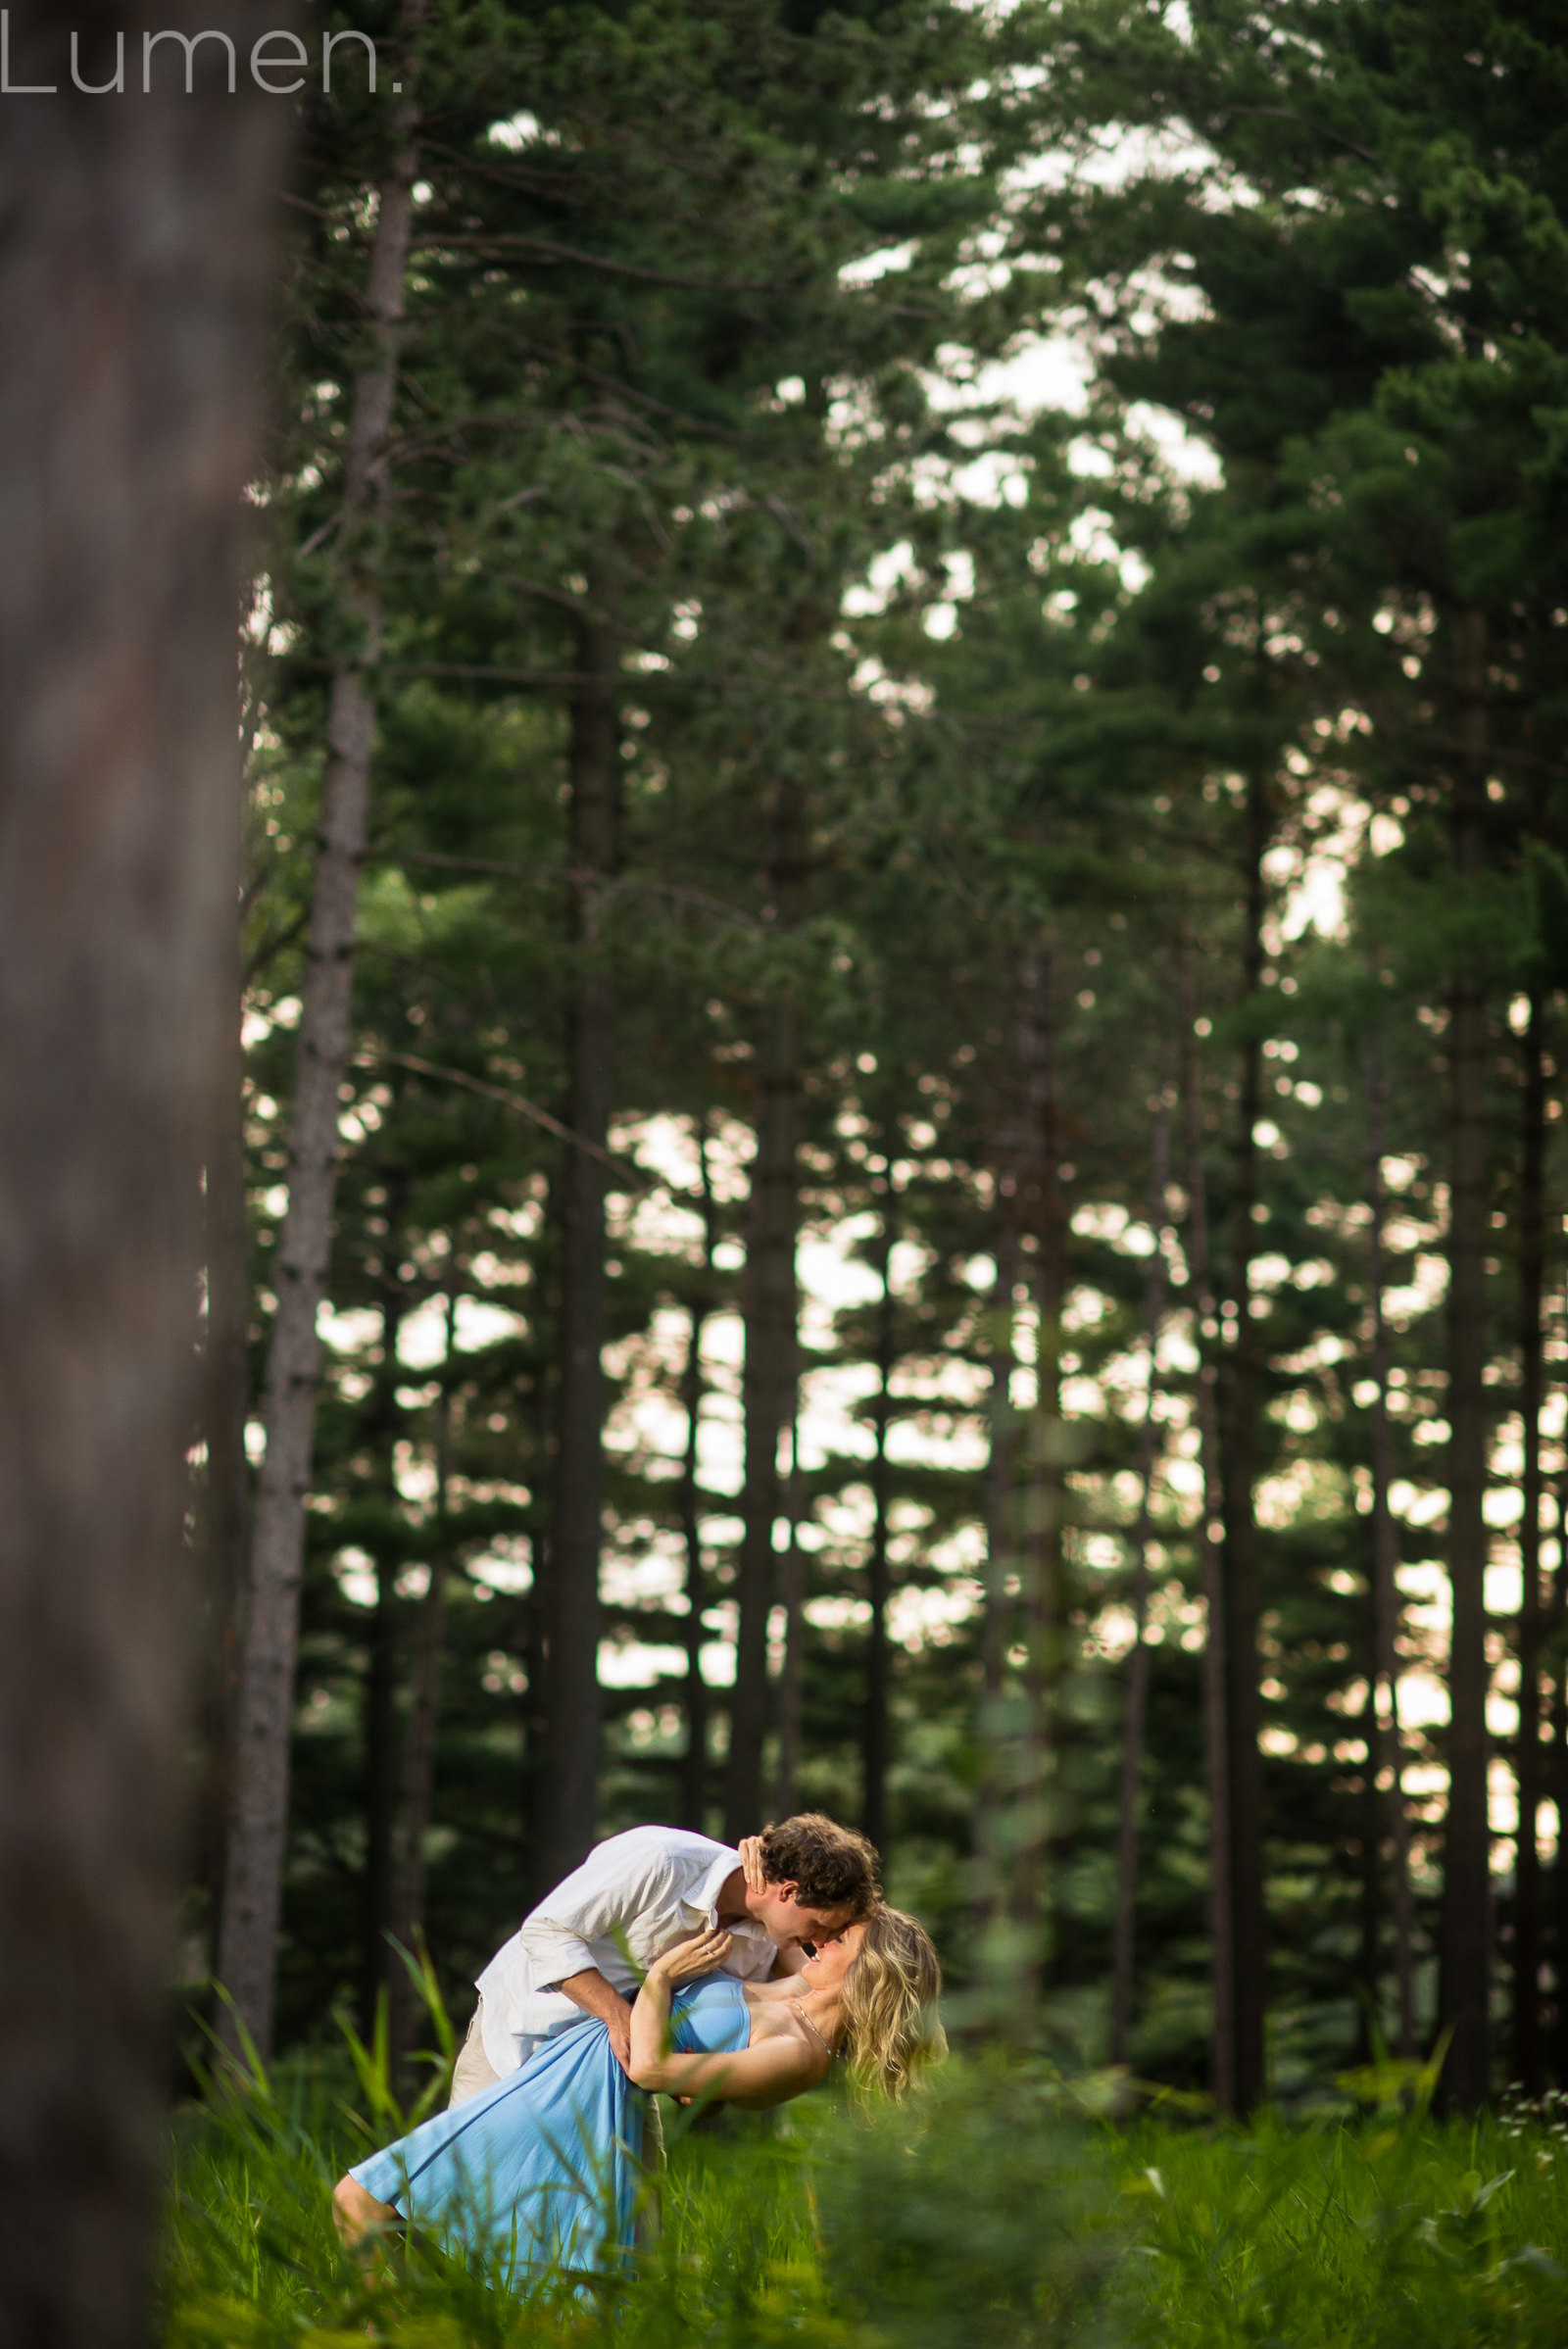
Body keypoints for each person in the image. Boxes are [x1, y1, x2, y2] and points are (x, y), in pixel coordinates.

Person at [332, 1905, 944, 2277]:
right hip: (564, 2069)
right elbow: (778, 1907)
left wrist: (661, 1977)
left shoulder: (798, 2055)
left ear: (874, 1972)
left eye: (842, 1938)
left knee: (363, 2202)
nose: (823, 1936)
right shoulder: (794, 1991)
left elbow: (650, 2070)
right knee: (377, 2211)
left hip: (587, 2096)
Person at [448, 1814, 877, 2103]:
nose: (820, 1939)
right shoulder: (661, 1860)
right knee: (447, 2188)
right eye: (822, 1924)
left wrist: (694, 2080)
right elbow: (547, 1931)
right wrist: (619, 2018)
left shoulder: (764, 1945)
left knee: (622, 2221)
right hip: (520, 2033)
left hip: (610, 2074)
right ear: (788, 1892)